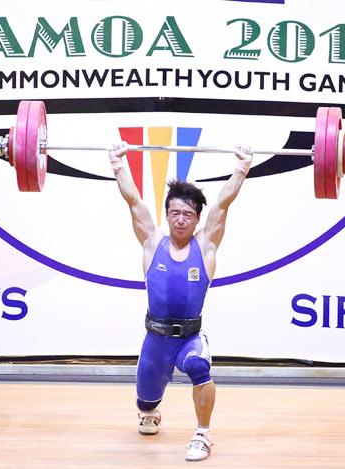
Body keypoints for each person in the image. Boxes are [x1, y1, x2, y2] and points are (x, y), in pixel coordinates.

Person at [109, 142, 253, 462]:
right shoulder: (151, 242)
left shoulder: (205, 247)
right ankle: (151, 412)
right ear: (167, 215)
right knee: (145, 402)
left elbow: (222, 205)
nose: (180, 219)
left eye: (188, 214)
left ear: (197, 218)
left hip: (189, 338)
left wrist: (241, 168)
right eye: (174, 213)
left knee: (199, 366)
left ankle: (202, 434)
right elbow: (133, 201)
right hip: (155, 341)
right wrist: (118, 164)